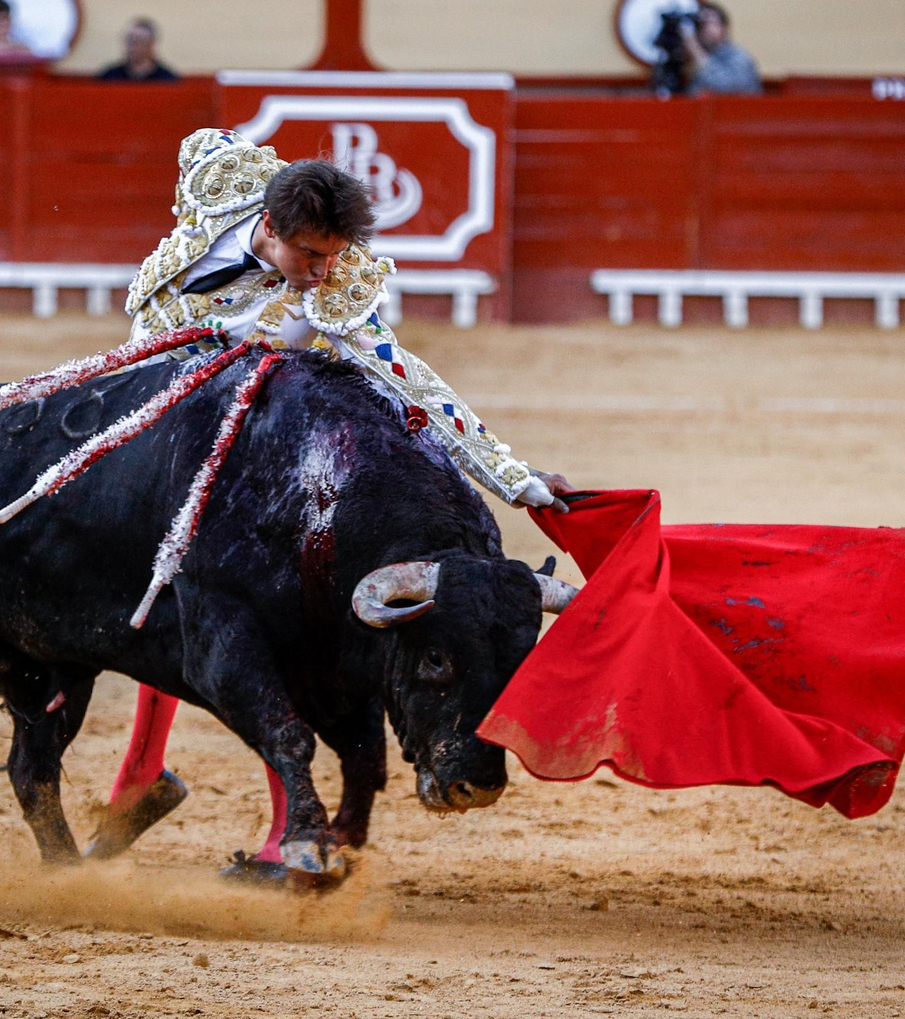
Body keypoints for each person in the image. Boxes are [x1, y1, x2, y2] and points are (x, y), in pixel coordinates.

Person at [89, 128, 573, 880]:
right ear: (270, 228)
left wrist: (517, 478)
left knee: (223, 588)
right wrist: (236, 327)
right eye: (309, 257)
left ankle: (248, 808)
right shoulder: (226, 180)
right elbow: (197, 146)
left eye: (335, 256)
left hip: (285, 443)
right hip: (179, 399)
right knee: (155, 575)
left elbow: (413, 380)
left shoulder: (337, 290)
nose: (324, 274)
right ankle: (143, 775)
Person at [683, 1, 760, 96]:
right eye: (699, 24)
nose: (702, 29)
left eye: (707, 23)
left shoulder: (739, 57)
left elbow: (726, 87)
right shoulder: (699, 56)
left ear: (724, 28)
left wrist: (694, 47)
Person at [97, 18, 177, 81]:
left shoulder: (166, 80)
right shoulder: (110, 77)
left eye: (138, 41)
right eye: (129, 41)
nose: (132, 47)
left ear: (151, 44)